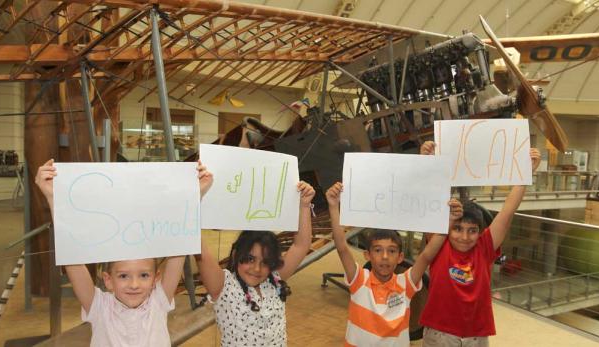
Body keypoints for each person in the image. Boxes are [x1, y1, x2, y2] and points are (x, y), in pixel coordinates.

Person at [34, 159, 213, 347]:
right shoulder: (99, 308)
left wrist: (194, 197)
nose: (134, 284)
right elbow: (72, 257)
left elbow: (180, 247)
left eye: (144, 275)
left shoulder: (158, 302)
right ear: (108, 279)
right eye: (123, 276)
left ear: (156, 278)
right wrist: (54, 199)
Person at [418, 141, 541, 347]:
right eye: (458, 229)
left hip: (476, 337)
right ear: (447, 227)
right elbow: (428, 197)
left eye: (472, 231)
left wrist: (527, 172)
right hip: (440, 335)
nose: (464, 237)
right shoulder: (439, 244)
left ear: (479, 231)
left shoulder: (485, 247)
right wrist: (426, 163)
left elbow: (508, 210)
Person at [326, 182, 463, 347]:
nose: (385, 256)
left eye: (391, 251)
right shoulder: (359, 280)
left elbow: (427, 256)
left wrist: (448, 222)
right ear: (367, 255)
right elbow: (341, 247)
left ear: (400, 257)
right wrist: (333, 206)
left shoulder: (405, 284)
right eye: (378, 250)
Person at [198, 180, 315, 346]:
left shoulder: (273, 280)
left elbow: (301, 245)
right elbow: (201, 252)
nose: (257, 269)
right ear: (237, 255)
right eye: (250, 259)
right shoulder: (224, 287)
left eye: (265, 262)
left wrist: (304, 206)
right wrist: (194, 199)